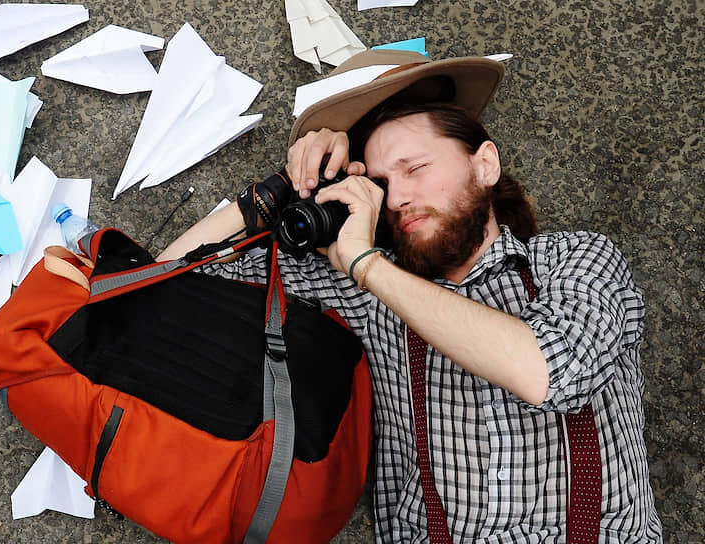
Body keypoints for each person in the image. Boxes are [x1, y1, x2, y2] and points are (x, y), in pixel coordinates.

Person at [159, 50, 662, 543]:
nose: (397, 198)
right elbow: (164, 284)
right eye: (381, 184)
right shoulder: (362, 290)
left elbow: (553, 375)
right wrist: (285, 188)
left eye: (415, 168)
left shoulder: (576, 259)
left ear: (485, 164)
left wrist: (368, 265)